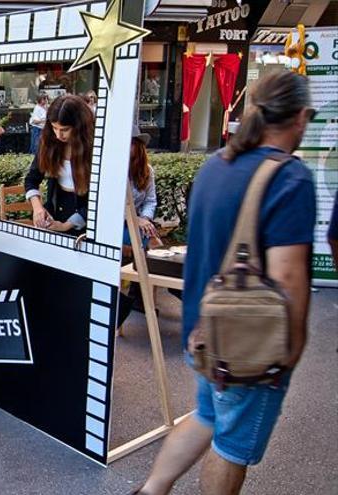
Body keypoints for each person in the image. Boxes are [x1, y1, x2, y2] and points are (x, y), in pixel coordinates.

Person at [136, 71, 316, 495]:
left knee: (208, 415)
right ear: (301, 117)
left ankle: (150, 490)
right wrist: (291, 349)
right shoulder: (290, 178)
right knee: (231, 444)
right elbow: (288, 276)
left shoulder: (219, 163)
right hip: (249, 339)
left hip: (206, 327)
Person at [23, 94, 94, 234]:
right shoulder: (50, 143)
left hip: (87, 223)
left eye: (64, 130)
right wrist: (37, 207)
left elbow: (98, 200)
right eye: (54, 128)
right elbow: (31, 179)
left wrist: (66, 225)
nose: (58, 135)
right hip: (55, 212)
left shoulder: (93, 149)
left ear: (79, 126)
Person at [124, 126, 159, 253]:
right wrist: (136, 219)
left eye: (131, 144)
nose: (127, 147)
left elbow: (150, 200)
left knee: (152, 239)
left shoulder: (147, 170)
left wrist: (145, 218)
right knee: (142, 241)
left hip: (136, 221)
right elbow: (110, 205)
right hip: (116, 223)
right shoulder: (113, 169)